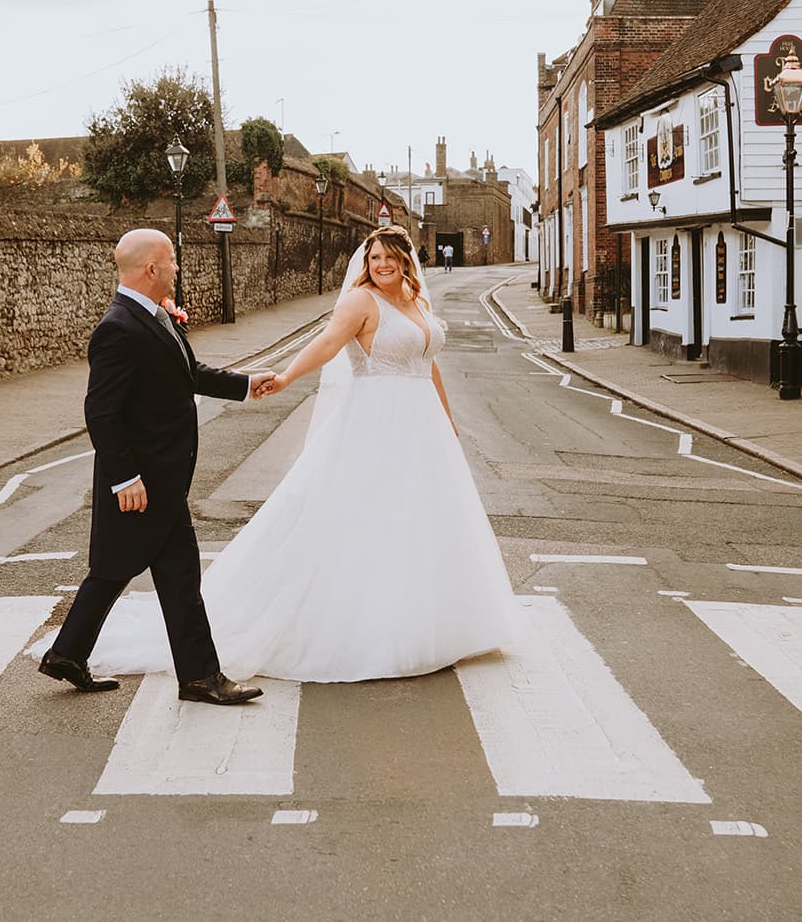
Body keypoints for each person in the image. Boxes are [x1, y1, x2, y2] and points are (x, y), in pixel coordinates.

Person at [66, 224, 522, 683]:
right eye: (373, 259)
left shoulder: (417, 302)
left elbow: (428, 362)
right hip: (374, 426)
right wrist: (283, 377)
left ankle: (104, 659)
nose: (381, 266)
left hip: (421, 430)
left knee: (423, 524)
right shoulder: (360, 303)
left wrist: (446, 419)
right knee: (372, 523)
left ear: (407, 260)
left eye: (389, 258)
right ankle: (199, 673)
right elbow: (326, 344)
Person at [38, 228, 274, 706]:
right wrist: (126, 477)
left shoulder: (154, 316)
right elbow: (100, 412)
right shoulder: (118, 328)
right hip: (143, 481)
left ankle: (68, 654)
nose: (177, 268)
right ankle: (200, 677)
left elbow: (189, 374)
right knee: (167, 576)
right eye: (172, 261)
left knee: (128, 571)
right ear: (151, 269)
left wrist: (248, 385)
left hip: (159, 478)